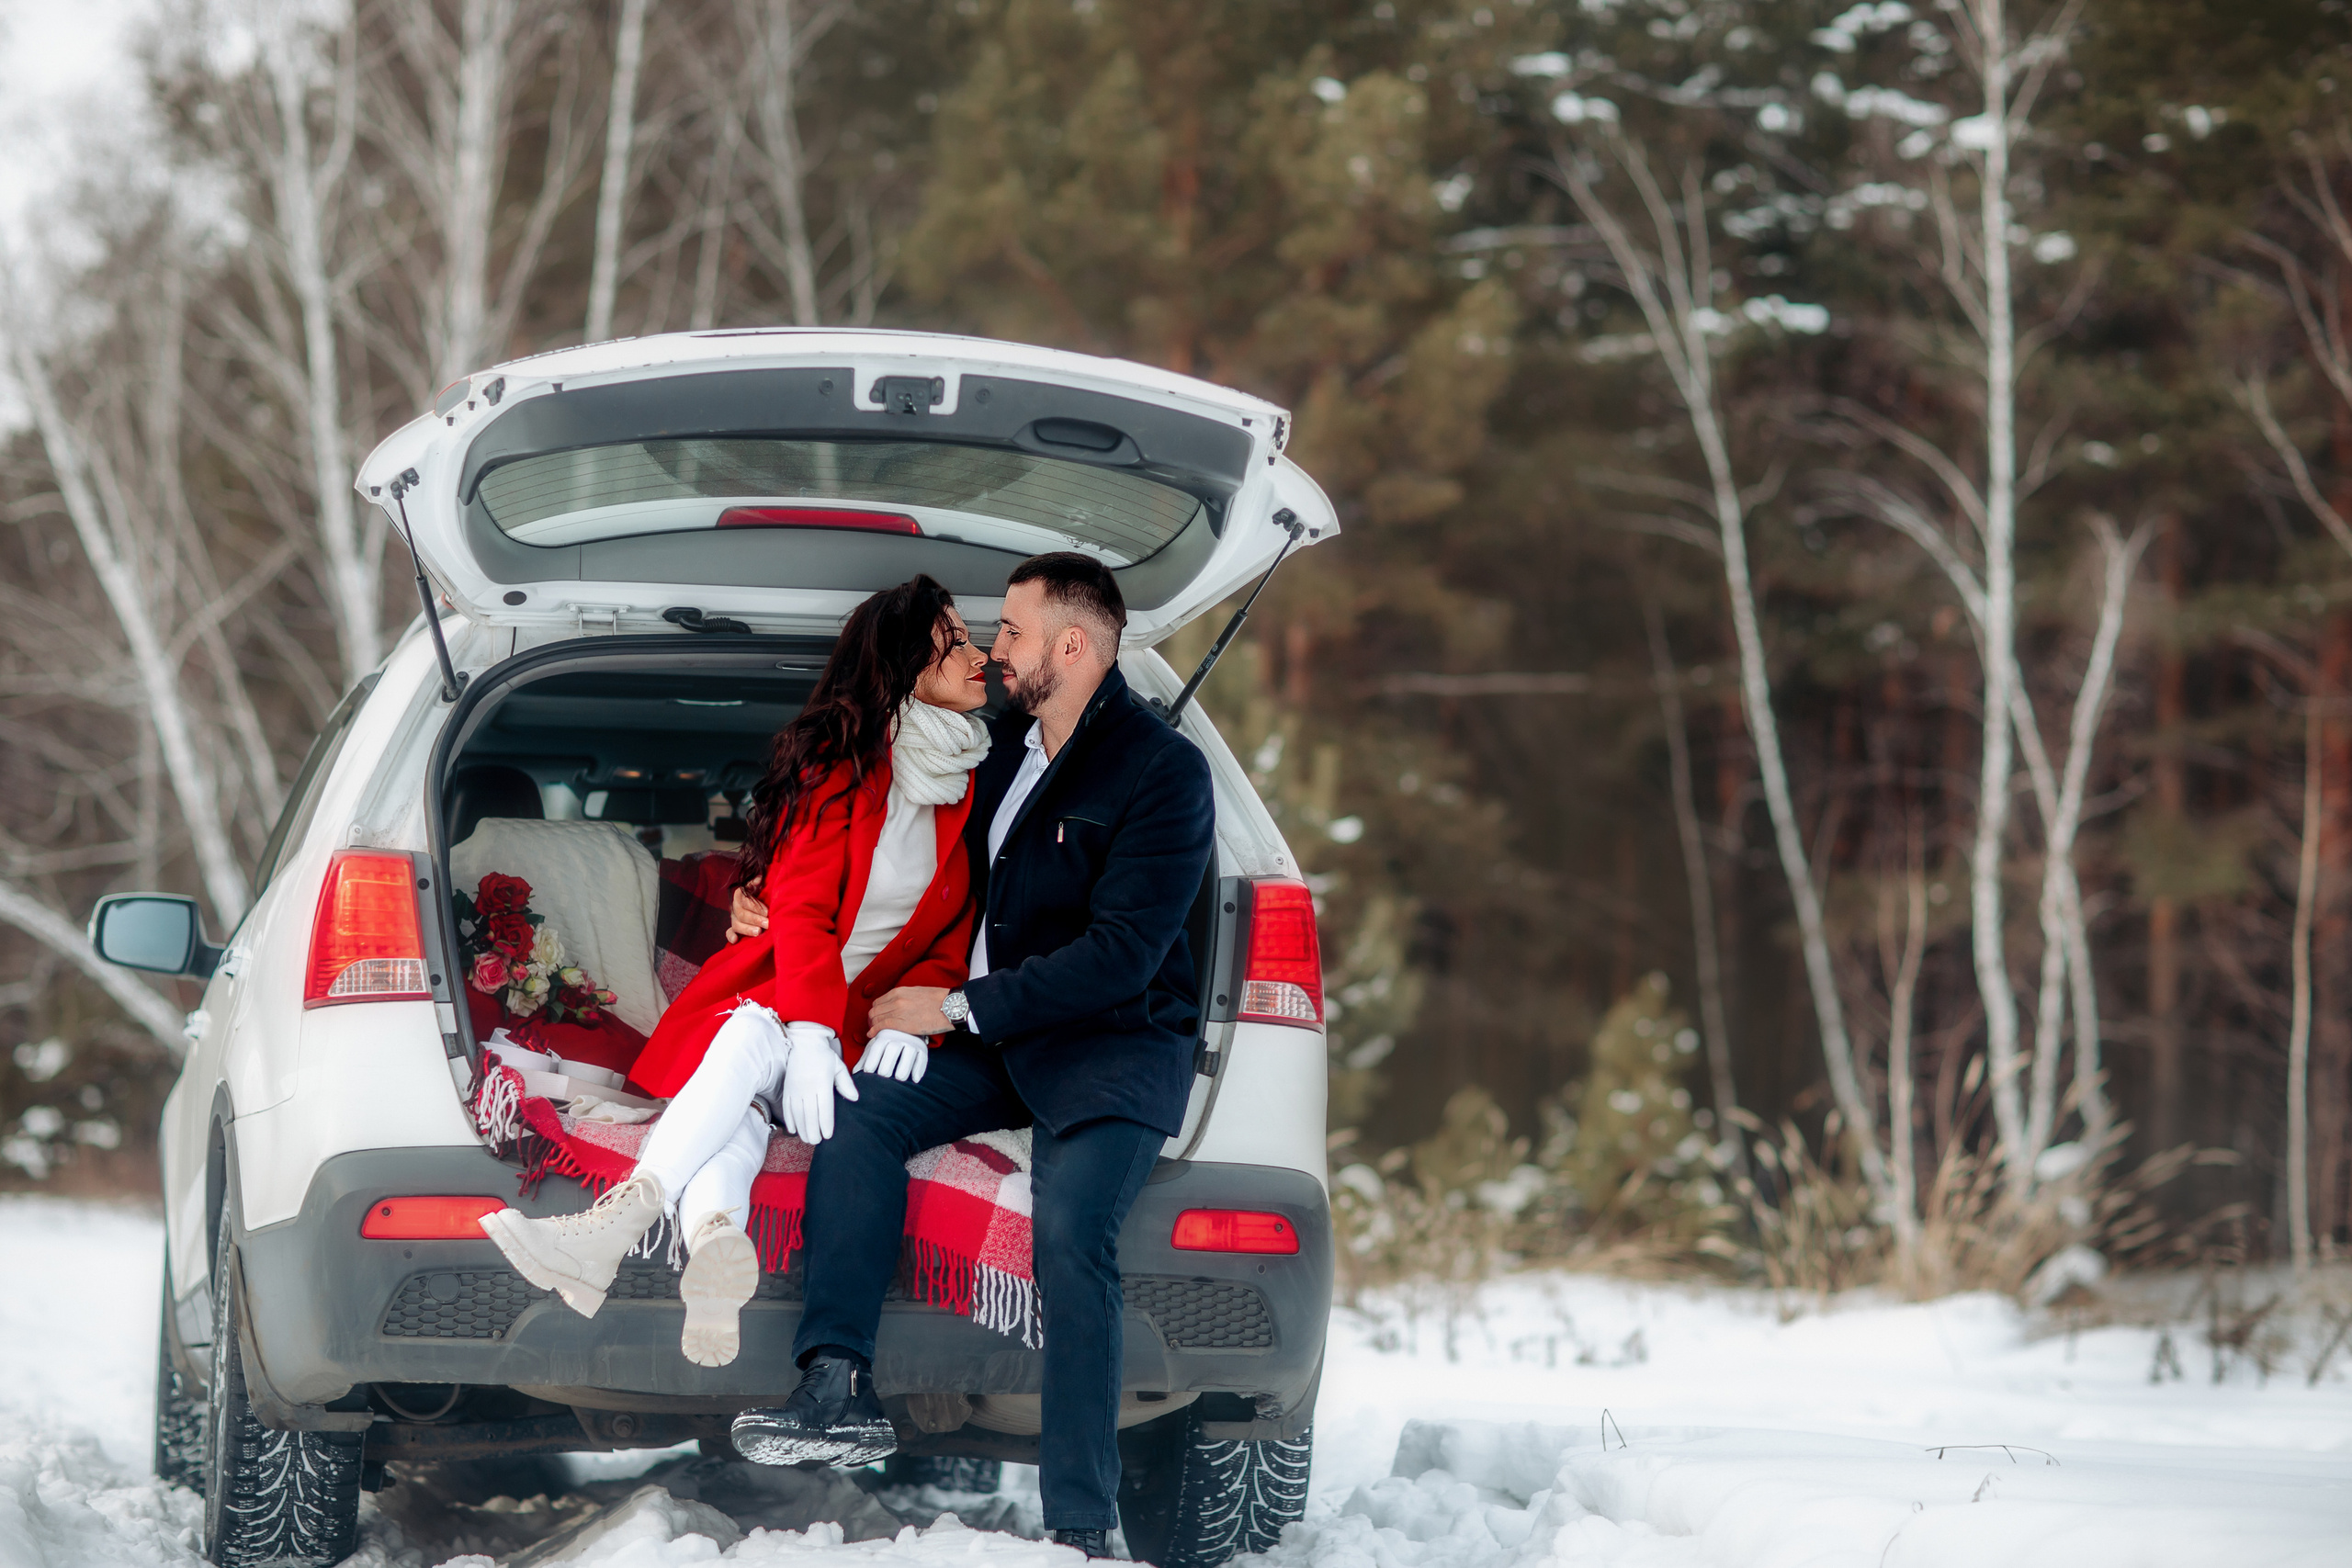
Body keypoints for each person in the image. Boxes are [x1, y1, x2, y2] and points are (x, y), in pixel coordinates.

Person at [725, 552, 1216, 1561]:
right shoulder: (988, 755)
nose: (997, 651)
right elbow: (871, 840)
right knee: (857, 1123)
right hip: (978, 1036)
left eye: (1015, 635)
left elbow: (1125, 957)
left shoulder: (1163, 771)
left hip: (1107, 1048)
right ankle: (835, 1380)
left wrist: (955, 1004)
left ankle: (1080, 1522)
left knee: (1074, 1232)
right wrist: (763, 897)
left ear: (1070, 648)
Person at [476, 575, 991, 1382]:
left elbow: (946, 934)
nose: (978, 652)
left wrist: (908, 1020)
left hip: (854, 1041)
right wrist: (813, 1029)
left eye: (970, 638)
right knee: (749, 1054)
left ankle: (633, 1235)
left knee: (747, 1071)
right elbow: (807, 912)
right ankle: (700, 1237)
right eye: (954, 638)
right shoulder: (840, 770)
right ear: (904, 659)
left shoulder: (964, 784)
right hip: (787, 1004)